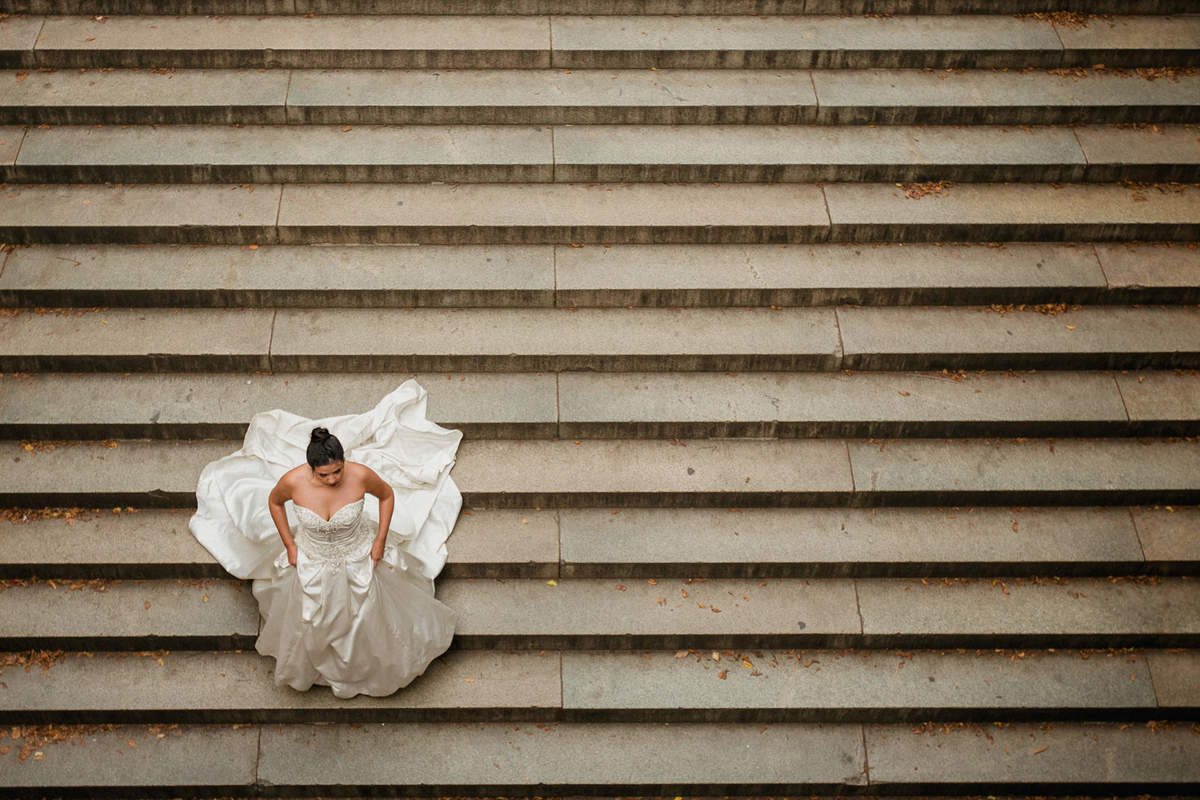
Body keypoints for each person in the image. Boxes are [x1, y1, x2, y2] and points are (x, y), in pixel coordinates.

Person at [189, 380, 461, 698]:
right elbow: (274, 503)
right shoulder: (292, 482)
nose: (332, 480)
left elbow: (386, 496)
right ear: (311, 469)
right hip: (313, 557)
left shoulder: (359, 475)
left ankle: (367, 665)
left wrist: (380, 540)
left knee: (368, 613)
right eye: (324, 475)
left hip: (358, 551)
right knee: (311, 614)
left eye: (337, 472)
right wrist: (290, 544)